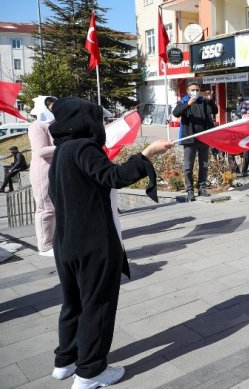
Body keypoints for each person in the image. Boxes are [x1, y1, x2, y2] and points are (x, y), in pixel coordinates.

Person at [47, 97, 172, 387]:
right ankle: (91, 372)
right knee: (97, 305)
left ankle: (65, 360)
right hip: (92, 242)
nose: (101, 124)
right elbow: (112, 176)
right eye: (98, 119)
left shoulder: (62, 151)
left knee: (73, 303)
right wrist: (147, 154)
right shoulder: (84, 148)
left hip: (66, 241)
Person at [172, 83, 218, 201]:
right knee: (188, 166)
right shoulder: (184, 101)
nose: (195, 92)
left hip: (204, 138)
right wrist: (188, 104)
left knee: (204, 165)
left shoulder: (203, 101)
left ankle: (202, 187)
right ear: (188, 91)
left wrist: (210, 100)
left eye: (197, 90)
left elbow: (215, 111)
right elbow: (176, 113)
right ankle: (190, 190)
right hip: (189, 138)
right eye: (193, 90)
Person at [28, 96, 58, 256]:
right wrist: (63, 145)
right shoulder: (37, 126)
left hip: (53, 169)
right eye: (50, 105)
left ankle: (53, 241)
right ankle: (45, 246)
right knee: (45, 208)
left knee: (53, 207)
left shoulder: (52, 124)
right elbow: (41, 151)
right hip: (42, 171)